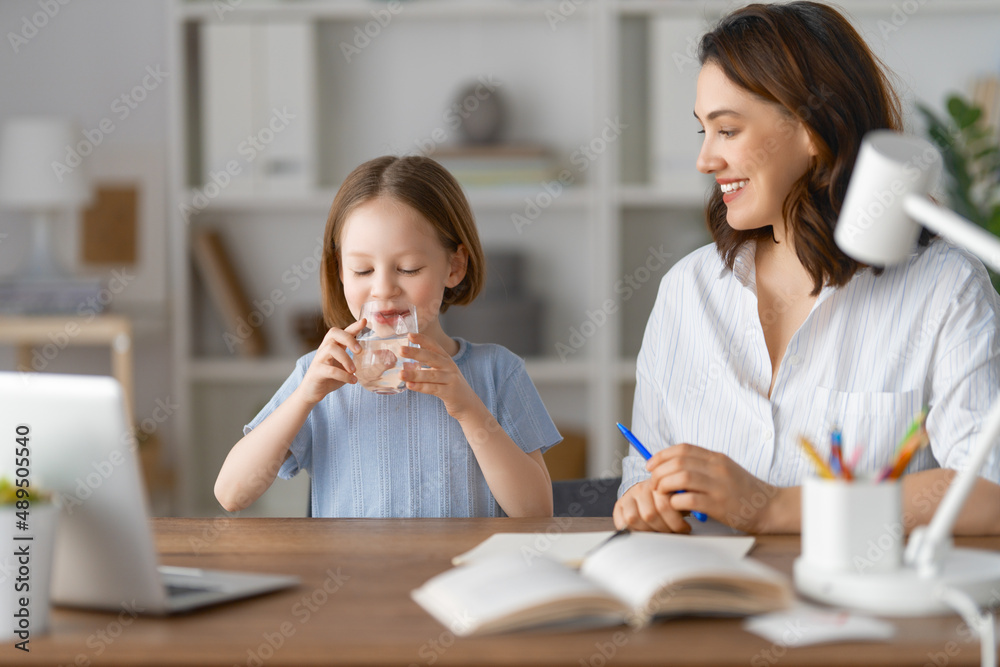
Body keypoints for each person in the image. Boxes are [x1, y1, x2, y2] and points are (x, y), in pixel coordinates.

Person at [614, 1, 1000, 535]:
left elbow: (990, 490)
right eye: (702, 131)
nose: (705, 160)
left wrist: (775, 507)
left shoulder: (944, 288)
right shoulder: (687, 290)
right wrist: (643, 501)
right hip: (710, 603)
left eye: (727, 131)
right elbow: (642, 469)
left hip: (871, 610)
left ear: (812, 131)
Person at [215, 155, 558, 518]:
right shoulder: (320, 375)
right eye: (362, 269)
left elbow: (536, 513)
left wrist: (469, 410)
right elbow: (231, 494)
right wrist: (304, 398)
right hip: (352, 576)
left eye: (408, 268)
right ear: (340, 272)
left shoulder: (498, 372)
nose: (383, 289)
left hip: (461, 574)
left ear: (454, 267)